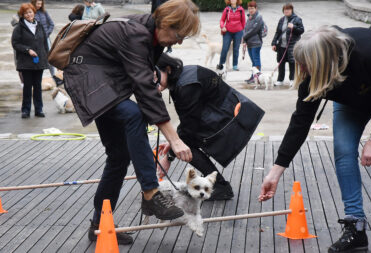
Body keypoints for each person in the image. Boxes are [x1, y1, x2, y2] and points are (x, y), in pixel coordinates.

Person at [63, 0, 200, 245]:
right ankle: (150, 192)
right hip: (88, 80)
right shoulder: (138, 34)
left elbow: (141, 74)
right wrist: (174, 139)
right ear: (166, 24)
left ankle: (98, 225)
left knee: (118, 157)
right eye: (179, 35)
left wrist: (153, 73)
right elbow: (144, 90)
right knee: (133, 114)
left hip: (107, 81)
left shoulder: (151, 33)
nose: (179, 42)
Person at [259, 26, 371, 253]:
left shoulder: (370, 54)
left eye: (305, 65)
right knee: (344, 151)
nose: (301, 70)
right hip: (351, 103)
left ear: (323, 60)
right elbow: (300, 122)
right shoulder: (312, 76)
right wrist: (275, 173)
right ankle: (356, 228)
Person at [155, 54, 236, 201]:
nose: (151, 80)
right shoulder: (181, 78)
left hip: (229, 122)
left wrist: (169, 156)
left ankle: (221, 186)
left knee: (186, 144)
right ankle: (219, 184)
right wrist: (173, 141)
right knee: (183, 141)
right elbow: (188, 120)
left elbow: (189, 127)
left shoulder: (186, 85)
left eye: (154, 74)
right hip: (220, 117)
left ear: (167, 69)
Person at [12, 3, 48, 119]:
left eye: (30, 12)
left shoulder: (39, 25)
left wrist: (46, 57)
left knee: (37, 86)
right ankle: (26, 110)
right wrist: (28, 50)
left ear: (34, 12)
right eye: (26, 13)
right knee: (27, 86)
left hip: (39, 62)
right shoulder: (19, 27)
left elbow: (44, 43)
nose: (29, 15)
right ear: (22, 15)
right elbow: (15, 43)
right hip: (26, 62)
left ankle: (39, 109)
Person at [30, 0, 62, 86]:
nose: (40, 5)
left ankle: (54, 78)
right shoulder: (30, 13)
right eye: (38, 4)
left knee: (50, 58)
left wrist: (46, 34)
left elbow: (51, 24)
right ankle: (35, 79)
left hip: (46, 39)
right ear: (33, 3)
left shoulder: (44, 12)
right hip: (35, 40)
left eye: (41, 4)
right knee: (37, 58)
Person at [271, 3, 304, 87]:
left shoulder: (297, 19)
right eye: (285, 10)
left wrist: (294, 27)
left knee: (292, 63)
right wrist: (274, 43)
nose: (286, 11)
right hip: (281, 46)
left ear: (292, 10)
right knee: (281, 63)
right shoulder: (281, 20)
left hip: (292, 46)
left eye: (288, 9)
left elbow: (301, 30)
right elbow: (277, 32)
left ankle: (292, 80)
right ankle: (280, 80)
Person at [217, 0, 245, 72]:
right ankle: (221, 64)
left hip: (238, 32)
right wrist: (222, 26)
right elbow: (222, 20)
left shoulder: (241, 10)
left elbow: (243, 22)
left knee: (236, 49)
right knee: (225, 48)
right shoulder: (226, 10)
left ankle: (235, 65)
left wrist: (243, 32)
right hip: (228, 32)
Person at [243, 1, 263, 84]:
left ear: (256, 8)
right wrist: (244, 40)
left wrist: (244, 37)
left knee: (256, 60)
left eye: (252, 8)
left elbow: (253, 30)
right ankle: (253, 76)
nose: (250, 10)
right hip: (249, 43)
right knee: (253, 62)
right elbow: (245, 29)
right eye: (249, 8)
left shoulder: (258, 17)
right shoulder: (249, 17)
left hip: (256, 43)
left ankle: (257, 77)